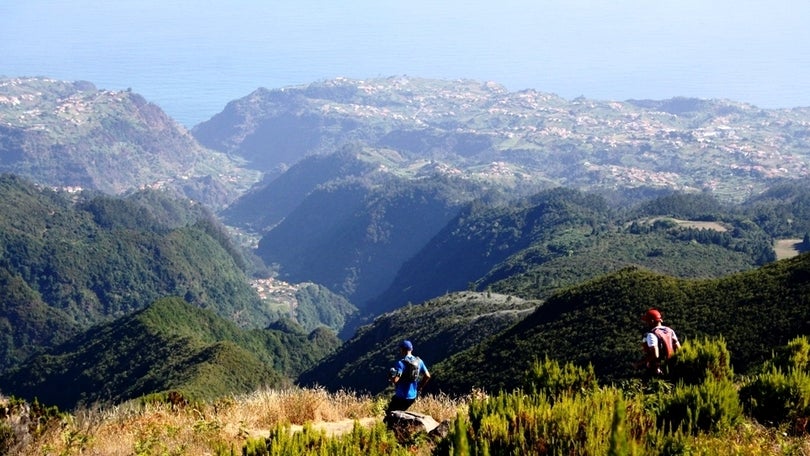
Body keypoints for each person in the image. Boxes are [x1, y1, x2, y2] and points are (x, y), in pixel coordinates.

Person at [386, 339, 430, 413]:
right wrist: (420, 387)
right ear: (411, 349)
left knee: (389, 415)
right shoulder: (419, 361)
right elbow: (427, 376)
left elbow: (395, 380)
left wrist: (391, 374)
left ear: (402, 350)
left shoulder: (401, 363)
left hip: (401, 396)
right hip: (412, 396)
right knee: (399, 414)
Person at [637, 308, 681, 377]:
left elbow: (656, 355)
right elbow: (679, 349)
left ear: (651, 321)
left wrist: (640, 363)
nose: (646, 323)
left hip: (658, 370)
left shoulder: (651, 335)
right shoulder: (670, 331)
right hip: (672, 366)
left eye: (647, 321)